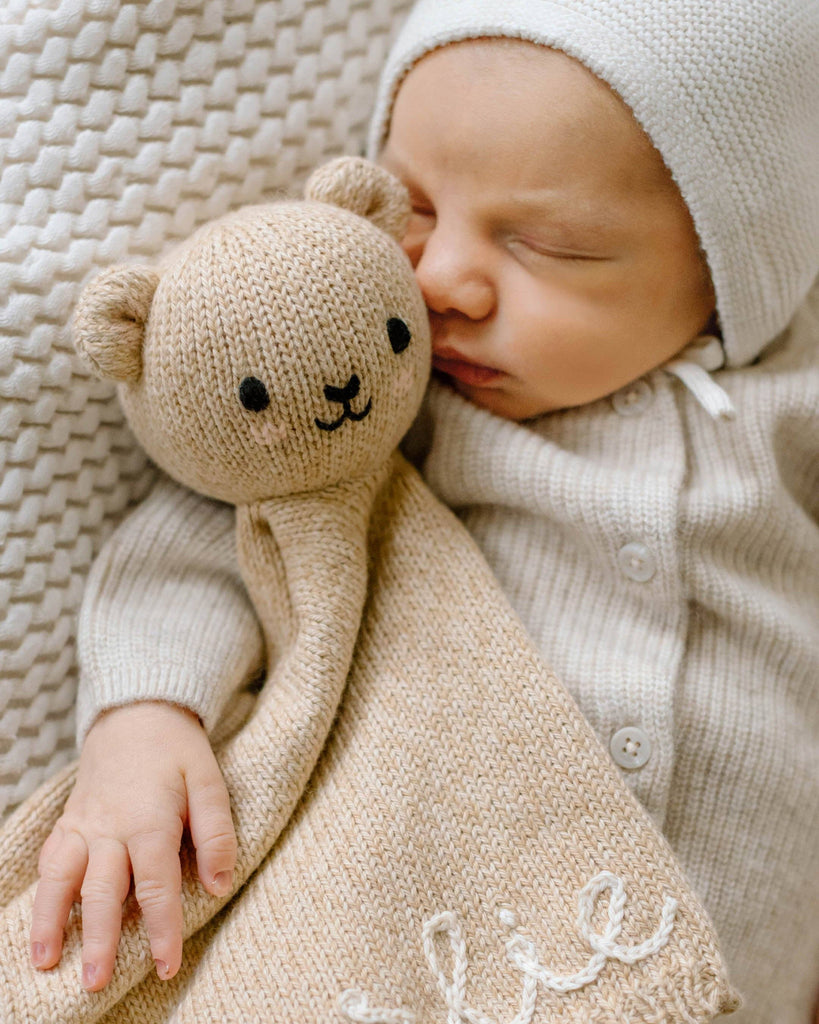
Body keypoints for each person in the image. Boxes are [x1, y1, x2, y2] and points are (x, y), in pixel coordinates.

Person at [29, 0, 819, 1020]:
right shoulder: (391, 402)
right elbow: (217, 532)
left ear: (737, 270)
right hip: (450, 947)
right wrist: (144, 716)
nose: (443, 278)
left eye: (551, 245)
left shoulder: (790, 408)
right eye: (413, 211)